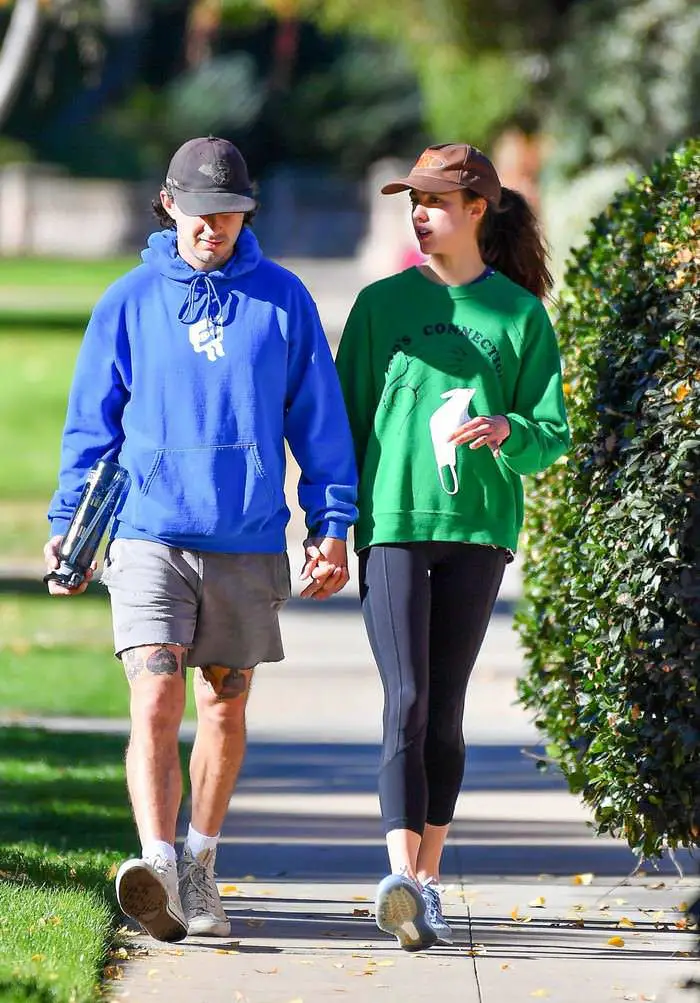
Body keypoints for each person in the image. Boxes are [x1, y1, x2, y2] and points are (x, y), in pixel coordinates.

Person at [44, 136, 358, 943]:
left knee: (223, 702)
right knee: (154, 693)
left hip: (247, 537)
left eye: (229, 213)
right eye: (199, 212)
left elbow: (318, 423)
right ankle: (155, 863)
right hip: (150, 532)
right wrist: (67, 528)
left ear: (245, 214)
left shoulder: (283, 300)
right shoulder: (128, 300)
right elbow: (92, 425)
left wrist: (331, 522)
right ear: (168, 204)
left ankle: (200, 863)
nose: (212, 227)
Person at [335, 143, 570, 951]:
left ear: (478, 209)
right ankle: (400, 876)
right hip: (394, 525)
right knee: (405, 698)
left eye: (436, 201)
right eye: (413, 201)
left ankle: (425, 883)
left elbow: (551, 432)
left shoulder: (520, 314)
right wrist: (330, 526)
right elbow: (344, 426)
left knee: (445, 712)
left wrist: (510, 428)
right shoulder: (378, 307)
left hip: (478, 532)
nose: (420, 213)